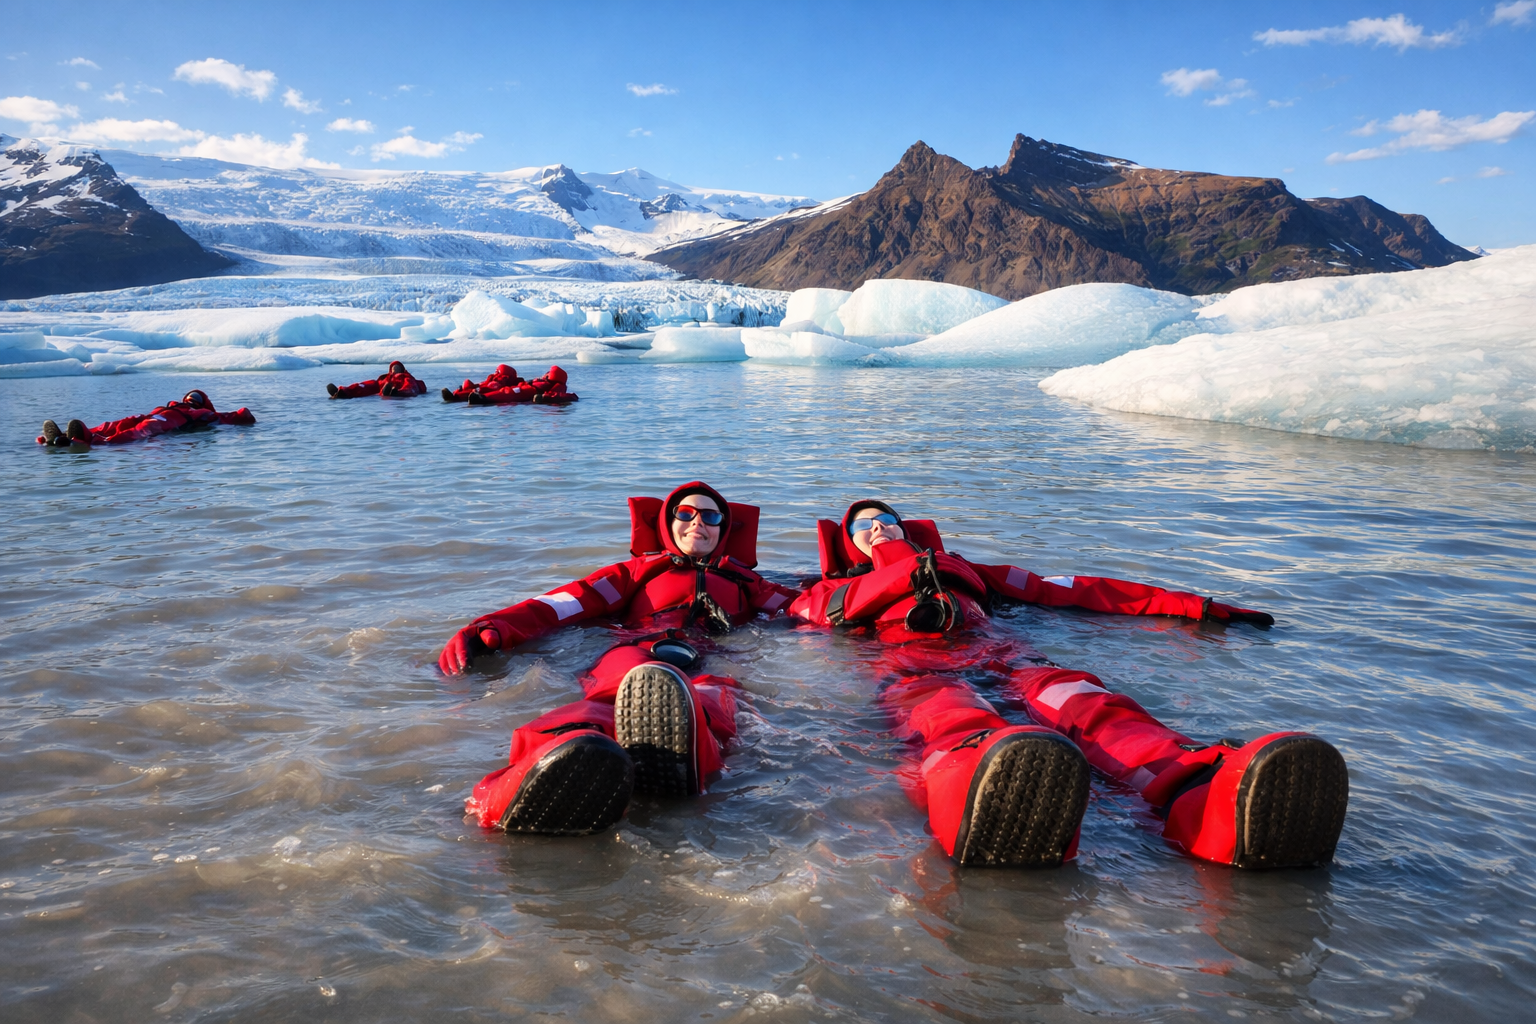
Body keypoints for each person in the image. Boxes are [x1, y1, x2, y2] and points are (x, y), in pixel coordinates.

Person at [791, 500, 1348, 871]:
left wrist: (1200, 607)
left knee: (1089, 704)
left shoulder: (967, 569)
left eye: (887, 519)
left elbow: (1081, 589)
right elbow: (820, 616)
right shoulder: (827, 589)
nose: (878, 527)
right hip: (914, 668)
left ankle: (1200, 792)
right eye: (863, 526)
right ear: (848, 545)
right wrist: (899, 563)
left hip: (1003, 653)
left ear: (910, 526)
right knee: (950, 718)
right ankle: (977, 788)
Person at [439, 482, 797, 835]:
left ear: (723, 527)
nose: (697, 522)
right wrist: (496, 625)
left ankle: (682, 761)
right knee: (620, 692)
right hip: (639, 649)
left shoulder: (750, 584)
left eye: (710, 515)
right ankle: (530, 779)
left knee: (715, 700)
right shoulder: (636, 572)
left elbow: (805, 607)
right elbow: (565, 603)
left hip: (708, 659)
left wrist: (852, 597)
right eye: (685, 513)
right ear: (667, 523)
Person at [36, 390, 255, 447]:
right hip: (156, 416)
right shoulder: (204, 413)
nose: (190, 399)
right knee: (117, 425)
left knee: (137, 431)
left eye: (195, 397)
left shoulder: (208, 414)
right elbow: (242, 415)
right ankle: (72, 436)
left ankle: (91, 441)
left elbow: (241, 416)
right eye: (189, 396)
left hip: (165, 419)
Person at [463, 365, 578, 406]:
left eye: (548, 373)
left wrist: (544, 398)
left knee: (508, 393)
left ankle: (483, 399)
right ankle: (466, 395)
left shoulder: (554, 386)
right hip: (525, 389)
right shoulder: (547, 383)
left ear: (551, 375)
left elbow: (570, 397)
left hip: (529, 391)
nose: (545, 374)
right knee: (505, 390)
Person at [326, 361, 428, 399]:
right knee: (366, 385)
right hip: (385, 387)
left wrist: (401, 392)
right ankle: (343, 392)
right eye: (393, 368)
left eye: (397, 367)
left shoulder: (406, 377)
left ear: (401, 369)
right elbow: (372, 385)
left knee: (407, 387)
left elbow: (411, 386)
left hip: (398, 388)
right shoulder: (386, 378)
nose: (395, 369)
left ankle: (394, 393)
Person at [441, 364, 524, 402]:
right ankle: (455, 395)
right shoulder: (493, 378)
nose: (496, 373)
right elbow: (482, 383)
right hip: (485, 388)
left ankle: (456, 397)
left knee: (479, 390)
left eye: (498, 372)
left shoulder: (506, 380)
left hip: (490, 390)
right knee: (468, 384)